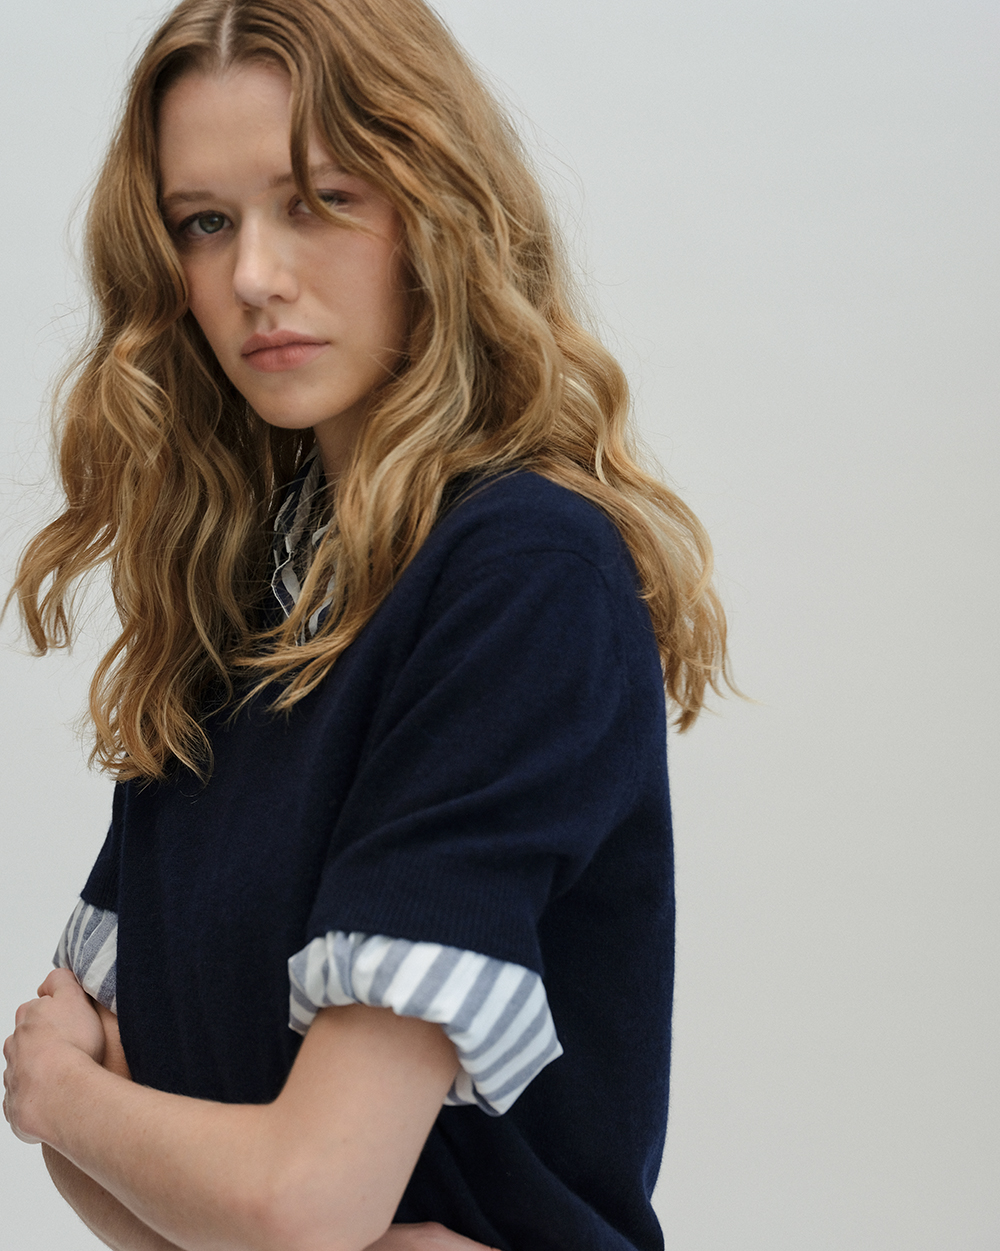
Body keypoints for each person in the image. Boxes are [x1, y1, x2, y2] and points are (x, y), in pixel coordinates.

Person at [2, 1, 730, 1247]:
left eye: (319, 200)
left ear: (436, 211)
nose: (254, 277)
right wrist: (142, 1146)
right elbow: (118, 1184)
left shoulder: (524, 573)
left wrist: (57, 1094)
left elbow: (294, 1198)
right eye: (204, 222)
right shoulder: (239, 600)